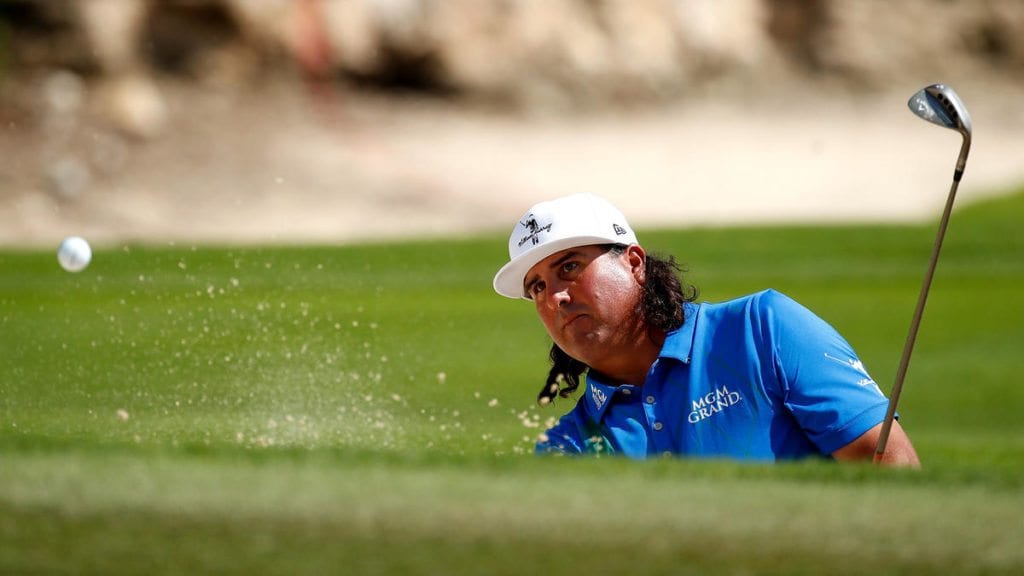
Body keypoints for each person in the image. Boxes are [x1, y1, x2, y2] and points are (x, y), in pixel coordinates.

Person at [492, 193, 920, 466]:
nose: (555, 298)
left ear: (634, 263)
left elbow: (886, 463)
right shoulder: (568, 447)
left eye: (569, 266)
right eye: (537, 287)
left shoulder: (762, 328)